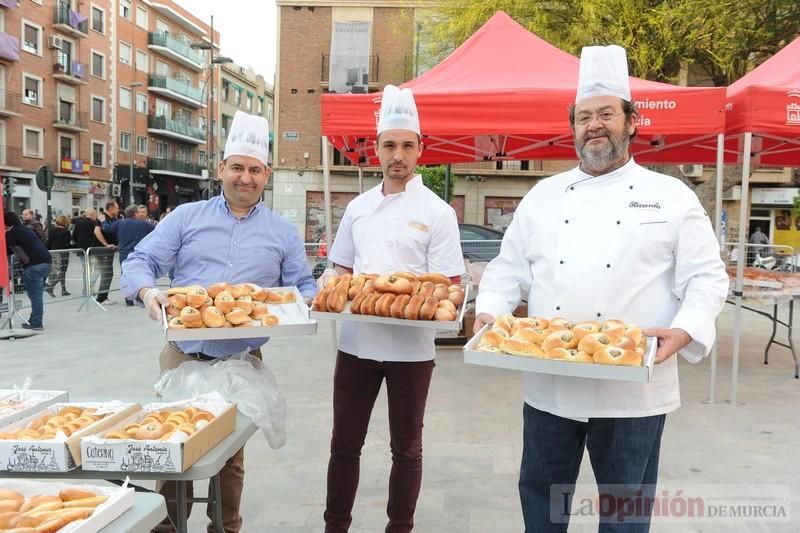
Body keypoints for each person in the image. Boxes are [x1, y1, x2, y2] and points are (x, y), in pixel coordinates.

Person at [474, 45, 729, 532]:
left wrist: (685, 330)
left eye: (607, 114)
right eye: (584, 116)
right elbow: (508, 268)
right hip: (551, 384)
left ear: (631, 122)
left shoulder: (670, 197)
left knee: (624, 518)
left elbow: (707, 276)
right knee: (543, 511)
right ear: (573, 126)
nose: (595, 125)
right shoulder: (542, 196)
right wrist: (491, 310)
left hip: (633, 389)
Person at [120, 110, 316, 533]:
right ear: (221, 169)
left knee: (230, 457)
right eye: (237, 168)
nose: (245, 178)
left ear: (266, 174)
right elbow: (143, 260)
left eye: (255, 170)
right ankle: (168, 527)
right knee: (175, 445)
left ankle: (225, 527)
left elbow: (302, 287)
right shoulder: (186, 217)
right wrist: (147, 291)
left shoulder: (282, 232)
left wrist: (324, 301)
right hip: (182, 354)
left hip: (242, 358)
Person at [320, 85, 465, 533]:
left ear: (421, 150)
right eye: (389, 145)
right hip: (357, 343)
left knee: (407, 449)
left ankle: (399, 527)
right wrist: (326, 288)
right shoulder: (358, 209)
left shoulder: (438, 212)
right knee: (344, 444)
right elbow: (339, 268)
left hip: (412, 351)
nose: (397, 154)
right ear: (375, 150)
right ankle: (335, 526)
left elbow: (450, 286)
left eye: (406, 145)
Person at [4, 211, 51, 330]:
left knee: (35, 296)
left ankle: (36, 323)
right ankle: (33, 320)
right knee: (36, 295)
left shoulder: (11, 233)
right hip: (46, 262)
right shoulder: (26, 228)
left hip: (34, 265)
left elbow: (6, 251)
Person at [102, 204, 154, 306]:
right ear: (135, 213)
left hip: (124, 254)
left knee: (125, 276)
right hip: (139, 254)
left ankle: (128, 299)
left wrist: (103, 220)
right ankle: (141, 297)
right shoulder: (143, 224)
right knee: (140, 275)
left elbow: (107, 228)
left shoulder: (120, 223)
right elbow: (158, 229)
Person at [93, 201, 119, 304]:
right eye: (117, 208)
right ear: (111, 208)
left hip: (109, 250)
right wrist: (105, 244)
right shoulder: (102, 218)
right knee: (107, 273)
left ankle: (103, 296)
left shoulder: (113, 219)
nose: (118, 210)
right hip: (102, 250)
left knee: (107, 273)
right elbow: (96, 231)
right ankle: (101, 298)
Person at [45, 215, 72, 297]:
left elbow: (48, 243)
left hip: (53, 252)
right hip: (62, 253)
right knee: (62, 271)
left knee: (59, 271)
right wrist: (74, 246)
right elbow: (66, 245)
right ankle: (51, 286)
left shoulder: (52, 231)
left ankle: (63, 290)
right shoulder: (66, 232)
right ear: (65, 222)